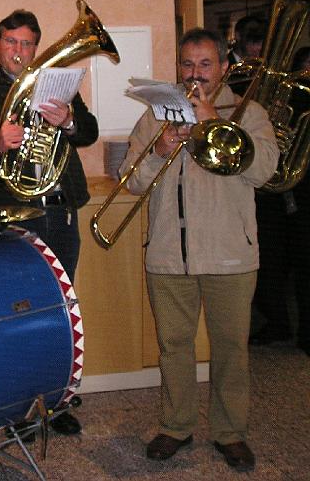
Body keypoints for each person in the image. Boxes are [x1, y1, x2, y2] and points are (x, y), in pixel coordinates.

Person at [122, 28, 278, 472]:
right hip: (169, 255)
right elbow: (132, 180)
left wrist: (214, 123)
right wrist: (160, 149)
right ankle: (176, 426)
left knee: (231, 348)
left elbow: (265, 170)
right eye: (188, 65)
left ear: (223, 68)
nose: (196, 75)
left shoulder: (249, 113)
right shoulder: (157, 115)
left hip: (231, 255)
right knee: (173, 346)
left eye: (205, 65)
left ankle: (230, 433)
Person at [0, 9, 97, 436]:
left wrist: (67, 120)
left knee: (62, 313)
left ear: (37, 47)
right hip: (14, 216)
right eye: (11, 42)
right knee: (20, 314)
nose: (19, 51)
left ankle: (58, 401)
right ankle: (19, 405)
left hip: (59, 211)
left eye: (27, 44)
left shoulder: (56, 85)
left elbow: (87, 132)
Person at [249, 45, 310, 355]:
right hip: (272, 198)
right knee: (270, 266)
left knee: (306, 267)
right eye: (304, 73)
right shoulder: (278, 101)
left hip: (305, 198)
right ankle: (277, 323)